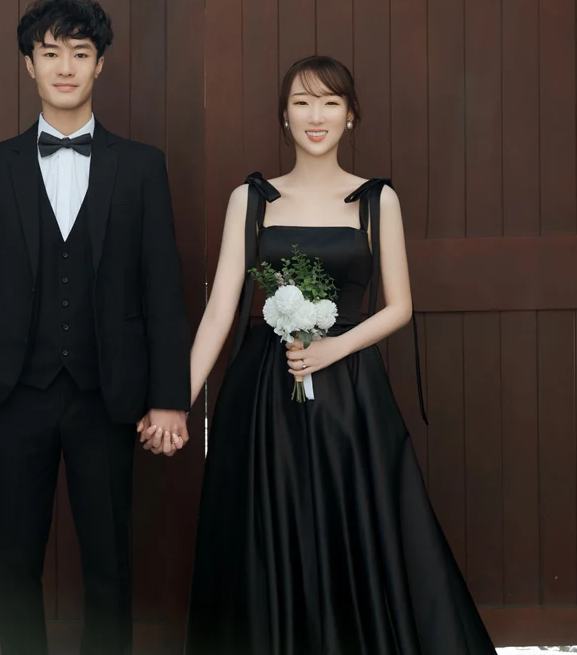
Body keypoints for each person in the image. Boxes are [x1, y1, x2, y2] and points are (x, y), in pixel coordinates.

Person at [143, 55, 497, 654]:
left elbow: (399, 306)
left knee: (351, 524)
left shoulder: (376, 200)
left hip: (350, 393)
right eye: (302, 102)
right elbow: (222, 308)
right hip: (264, 394)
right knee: (267, 529)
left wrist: (333, 350)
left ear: (350, 115)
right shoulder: (251, 199)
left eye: (330, 102)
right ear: (283, 115)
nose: (316, 116)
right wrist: (176, 403)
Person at [0, 0, 191, 655]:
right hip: (12, 392)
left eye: (80, 53)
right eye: (51, 52)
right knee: (14, 562)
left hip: (107, 395)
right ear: (29, 63)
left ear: (100, 64)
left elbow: (162, 289)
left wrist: (168, 396)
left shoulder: (141, 167)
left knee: (110, 565)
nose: (65, 67)